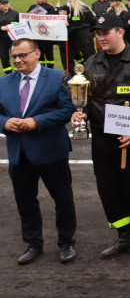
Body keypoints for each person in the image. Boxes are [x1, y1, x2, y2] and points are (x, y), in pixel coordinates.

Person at [71, 14, 130, 259]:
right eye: (97, 34)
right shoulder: (90, 63)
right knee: (108, 188)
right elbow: (87, 101)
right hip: (103, 138)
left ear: (120, 32)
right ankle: (124, 237)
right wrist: (80, 114)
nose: (100, 37)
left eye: (105, 32)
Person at [0, 38, 76, 264]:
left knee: (63, 199)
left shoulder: (59, 78)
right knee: (25, 201)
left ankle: (66, 243)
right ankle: (33, 243)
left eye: (22, 55)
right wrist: (4, 123)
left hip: (51, 151)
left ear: (37, 54)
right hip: (19, 152)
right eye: (14, 56)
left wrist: (37, 122)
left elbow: (68, 109)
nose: (17, 60)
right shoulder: (3, 82)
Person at [65, 0, 97, 67]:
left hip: (84, 34)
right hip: (76, 34)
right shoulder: (71, 10)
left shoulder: (83, 9)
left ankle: (93, 68)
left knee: (88, 52)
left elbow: (93, 21)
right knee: (83, 52)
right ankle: (86, 67)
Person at [27, 0, 57, 69]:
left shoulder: (50, 7)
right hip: (37, 35)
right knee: (40, 53)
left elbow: (53, 21)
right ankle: (42, 69)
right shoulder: (33, 7)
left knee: (49, 54)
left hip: (47, 34)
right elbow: (27, 18)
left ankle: (50, 70)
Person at [0, 0, 18, 73]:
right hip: (1, 39)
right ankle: (9, 75)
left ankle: (18, 73)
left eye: (6, 3)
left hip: (13, 39)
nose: (5, 5)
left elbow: (20, 25)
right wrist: (1, 28)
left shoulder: (15, 13)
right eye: (3, 4)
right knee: (4, 58)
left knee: (17, 56)